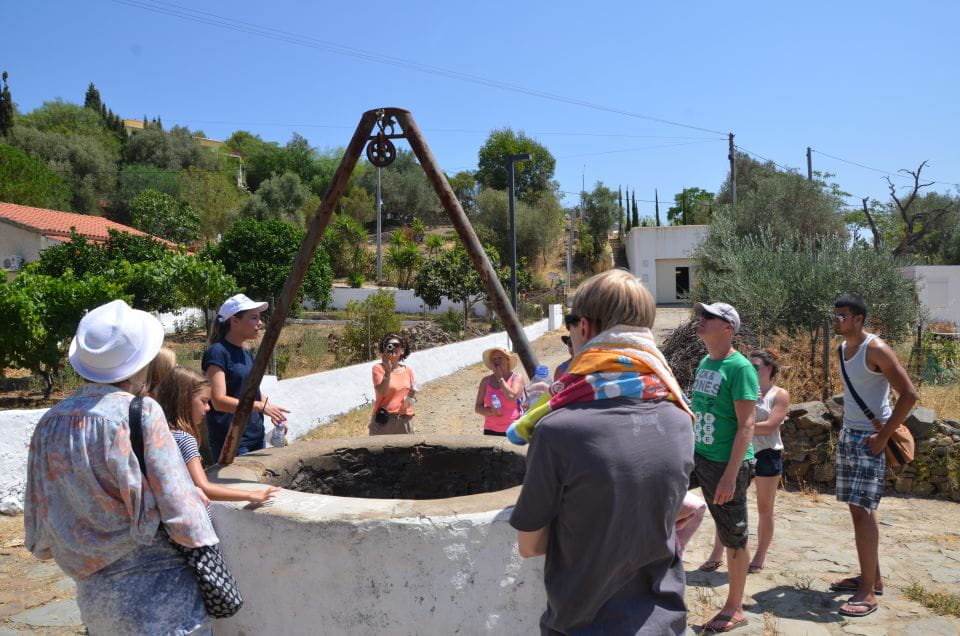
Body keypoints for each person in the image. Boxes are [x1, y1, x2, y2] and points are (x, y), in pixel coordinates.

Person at [509, 269, 694, 634]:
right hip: (666, 623)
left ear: (585, 327)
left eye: (571, 322)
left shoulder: (558, 429)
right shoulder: (680, 418)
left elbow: (530, 545)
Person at [24, 299, 217, 634]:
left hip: (95, 597)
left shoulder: (49, 422)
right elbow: (181, 511)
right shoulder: (140, 413)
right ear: (141, 361)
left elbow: (39, 522)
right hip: (160, 593)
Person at [829, 294, 917, 618]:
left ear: (858, 319)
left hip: (870, 439)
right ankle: (872, 577)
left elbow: (909, 395)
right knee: (859, 510)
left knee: (863, 511)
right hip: (849, 435)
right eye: (835, 314)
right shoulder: (841, 349)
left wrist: (882, 437)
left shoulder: (876, 349)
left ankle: (867, 593)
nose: (836, 320)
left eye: (842, 316)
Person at [689, 301, 758, 634]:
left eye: (709, 317)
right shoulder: (706, 362)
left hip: (725, 464)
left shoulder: (740, 368)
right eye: (701, 315)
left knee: (734, 535)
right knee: (657, 497)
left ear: (727, 328)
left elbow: (747, 425)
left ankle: (735, 608)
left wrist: (730, 476)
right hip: (698, 456)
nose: (700, 319)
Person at [699, 349, 789, 575]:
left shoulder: (779, 394)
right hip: (739, 453)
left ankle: (759, 556)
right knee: (724, 505)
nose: (750, 370)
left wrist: (741, 428)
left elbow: (770, 426)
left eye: (755, 366)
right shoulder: (742, 387)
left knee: (765, 508)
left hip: (766, 454)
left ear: (769, 368)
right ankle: (717, 554)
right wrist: (739, 426)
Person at [155, 366, 281, 509]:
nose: (208, 408)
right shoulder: (184, 439)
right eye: (203, 401)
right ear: (184, 401)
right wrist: (251, 495)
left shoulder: (158, 434)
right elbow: (204, 487)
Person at [203, 294, 289, 462]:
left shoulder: (245, 351)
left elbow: (250, 391)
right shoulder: (217, 352)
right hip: (232, 442)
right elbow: (218, 401)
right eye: (254, 318)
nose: (260, 323)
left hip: (255, 436)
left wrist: (270, 409)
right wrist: (260, 407)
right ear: (234, 321)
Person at [370, 333, 417, 435]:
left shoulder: (408, 370)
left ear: (402, 350)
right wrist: (388, 371)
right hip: (384, 421)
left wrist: (411, 397)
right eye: (388, 345)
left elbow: (411, 399)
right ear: (384, 349)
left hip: (405, 420)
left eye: (396, 345)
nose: (392, 347)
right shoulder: (378, 369)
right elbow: (382, 392)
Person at [475, 346, 524, 436]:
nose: (497, 361)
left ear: (507, 359)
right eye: (494, 359)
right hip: (490, 429)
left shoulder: (517, 377)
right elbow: (478, 408)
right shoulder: (486, 381)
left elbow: (511, 397)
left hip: (512, 429)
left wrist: (500, 378)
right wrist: (491, 411)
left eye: (500, 358)